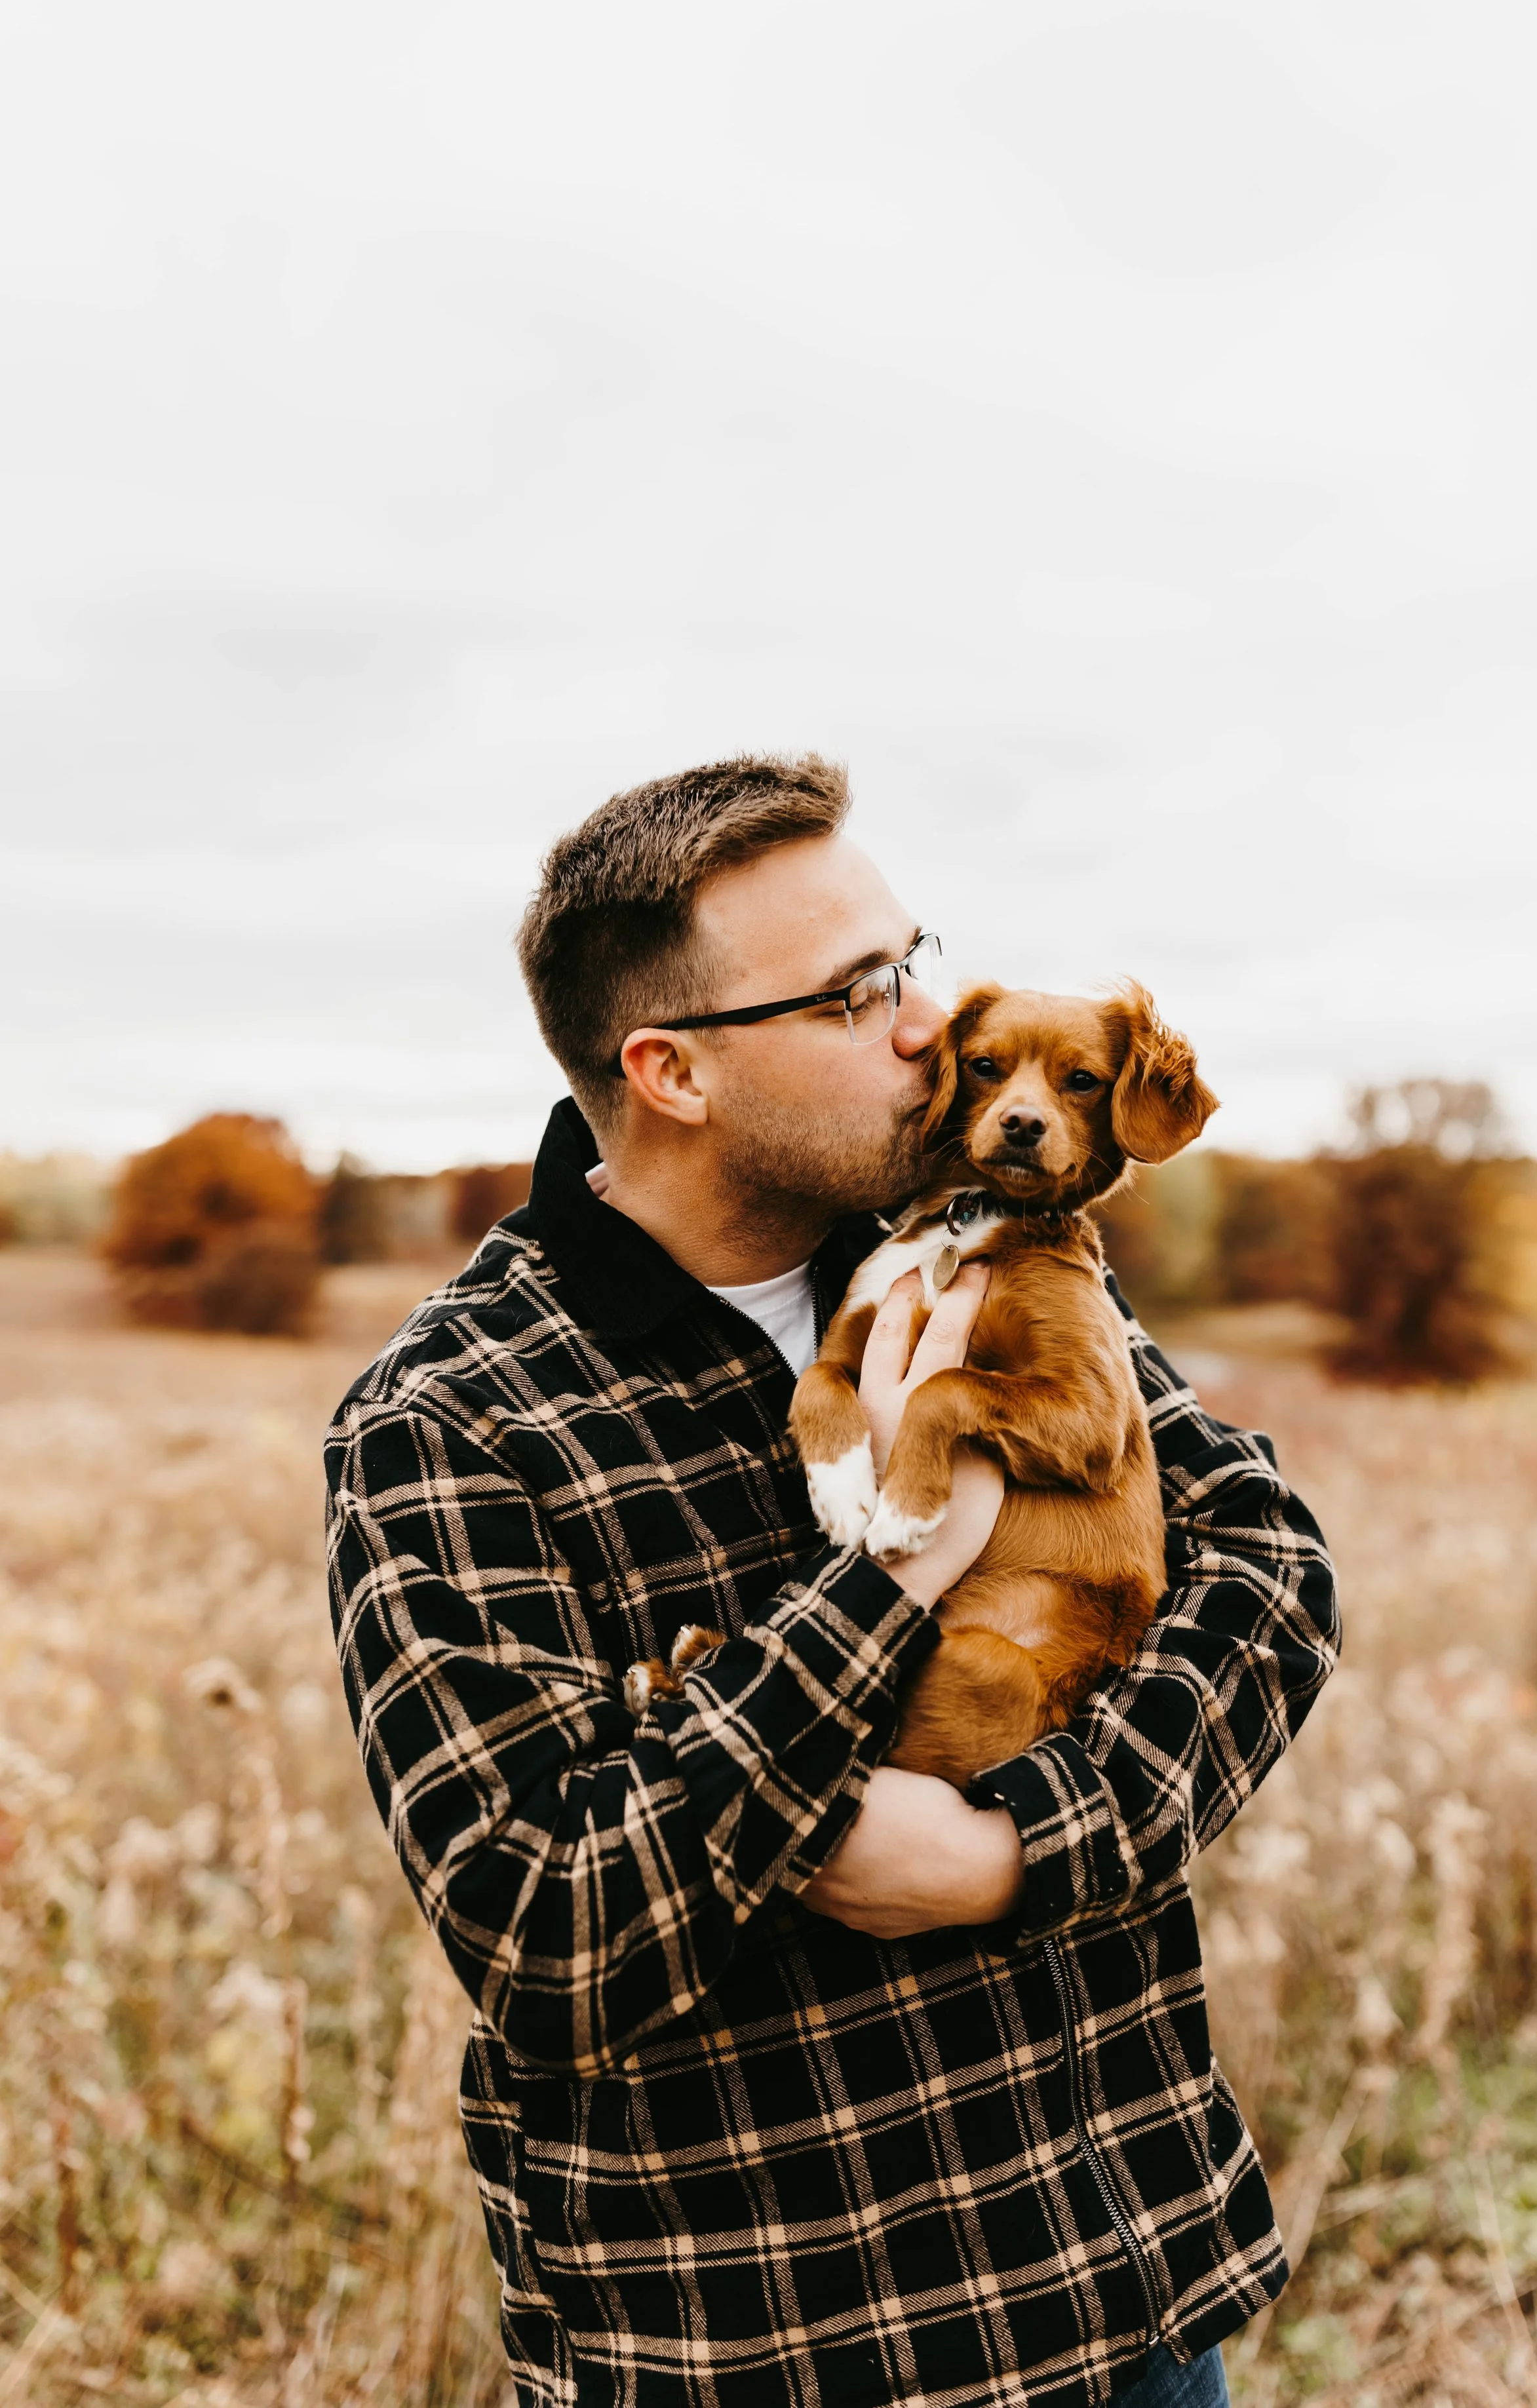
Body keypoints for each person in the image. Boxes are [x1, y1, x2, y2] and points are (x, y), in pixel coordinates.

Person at [324, 754, 1339, 2408]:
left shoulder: (974, 1255)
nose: (926, 1022)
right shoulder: (452, 1424)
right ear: (670, 1071)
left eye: (911, 957)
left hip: (1116, 2298)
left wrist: (1019, 1848)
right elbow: (547, 1936)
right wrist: (893, 1569)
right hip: (768, 2348)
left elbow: (1271, 1575)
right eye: (855, 991)